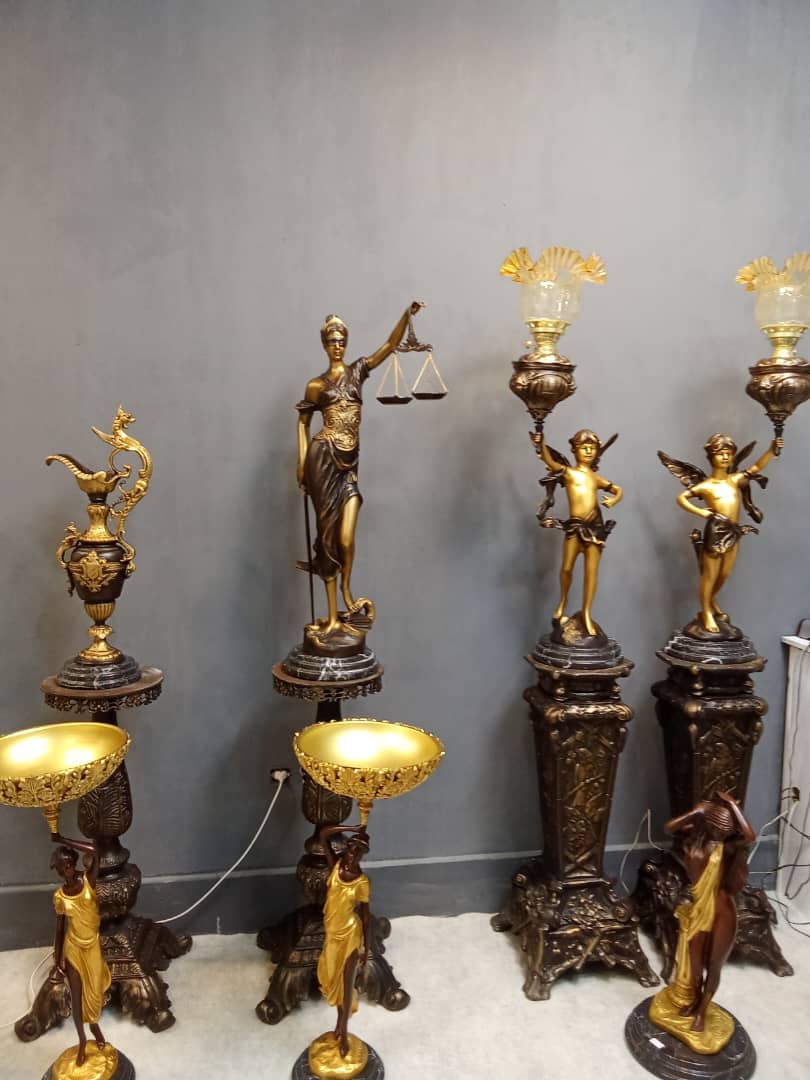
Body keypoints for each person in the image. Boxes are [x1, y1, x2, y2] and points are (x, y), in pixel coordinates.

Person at [296, 304, 424, 646]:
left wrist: (406, 317)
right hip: (323, 460)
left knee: (346, 539)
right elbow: (303, 423)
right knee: (327, 538)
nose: (337, 346)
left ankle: (348, 592)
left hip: (349, 466)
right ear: (324, 345)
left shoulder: (357, 372)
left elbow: (389, 346)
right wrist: (301, 462)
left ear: (347, 343)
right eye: (332, 342)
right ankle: (331, 617)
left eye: (341, 341)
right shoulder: (315, 385)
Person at [649, 792, 755, 1048]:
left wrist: (731, 805)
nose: (719, 832)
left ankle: (702, 1011)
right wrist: (697, 811)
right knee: (696, 968)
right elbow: (669, 828)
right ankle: (695, 1002)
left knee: (714, 966)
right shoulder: (695, 839)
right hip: (698, 911)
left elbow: (750, 836)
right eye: (716, 826)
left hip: (723, 914)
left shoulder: (730, 848)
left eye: (725, 829)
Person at [666, 434, 780, 633]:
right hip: (716, 531)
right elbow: (681, 498)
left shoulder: (734, 480)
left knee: (725, 574)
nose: (726, 457)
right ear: (712, 457)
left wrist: (771, 451)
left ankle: (710, 602)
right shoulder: (707, 485)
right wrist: (701, 512)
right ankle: (706, 612)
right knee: (710, 575)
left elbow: (756, 467)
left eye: (729, 453)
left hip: (734, 531)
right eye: (721, 453)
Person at [536, 429, 622, 637]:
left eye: (592, 448)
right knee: (567, 568)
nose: (588, 451)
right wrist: (541, 442)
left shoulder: (595, 478)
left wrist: (614, 500)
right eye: (584, 447)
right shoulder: (569, 473)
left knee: (591, 573)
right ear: (574, 450)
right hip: (574, 528)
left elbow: (617, 489)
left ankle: (586, 613)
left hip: (595, 529)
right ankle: (563, 601)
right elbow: (550, 462)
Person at [50, 833, 110, 1067]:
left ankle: (95, 1028)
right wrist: (57, 960)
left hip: (92, 946)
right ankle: (82, 1040)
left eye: (67, 865)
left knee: (94, 995)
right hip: (73, 948)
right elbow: (59, 929)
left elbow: (95, 851)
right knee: (76, 998)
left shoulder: (88, 881)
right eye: (60, 868)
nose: (65, 871)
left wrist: (61, 839)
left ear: (73, 862)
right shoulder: (59, 896)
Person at [317, 824, 371, 1057]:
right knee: (332, 980)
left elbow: (366, 917)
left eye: (359, 851)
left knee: (347, 984)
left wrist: (367, 947)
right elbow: (323, 836)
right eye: (351, 848)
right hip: (332, 934)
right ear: (347, 848)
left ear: (363, 855)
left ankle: (345, 1034)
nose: (353, 854)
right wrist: (352, 827)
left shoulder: (362, 882)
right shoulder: (336, 866)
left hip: (350, 935)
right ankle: (339, 1025)